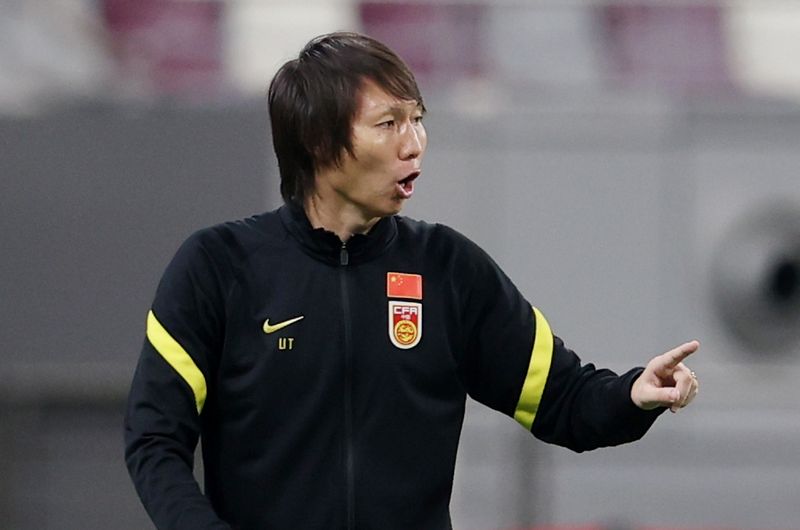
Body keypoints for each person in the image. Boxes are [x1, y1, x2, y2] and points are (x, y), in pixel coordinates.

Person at [124, 31, 699, 530]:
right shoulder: (217, 266)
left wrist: (633, 395)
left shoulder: (448, 268)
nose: (414, 142)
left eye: (417, 119)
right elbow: (154, 441)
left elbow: (565, 401)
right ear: (319, 141)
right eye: (388, 123)